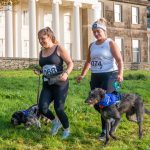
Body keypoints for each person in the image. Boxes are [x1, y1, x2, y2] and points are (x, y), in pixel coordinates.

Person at [77, 18, 123, 141]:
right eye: (94, 31)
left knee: (103, 103)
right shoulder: (92, 45)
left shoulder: (110, 43)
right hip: (95, 76)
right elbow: (88, 61)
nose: (96, 34)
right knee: (96, 104)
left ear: (104, 31)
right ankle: (113, 115)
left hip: (109, 75)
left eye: (98, 31)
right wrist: (82, 75)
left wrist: (120, 74)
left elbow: (119, 60)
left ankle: (104, 131)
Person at [36, 27, 73, 139]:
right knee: (42, 107)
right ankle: (55, 121)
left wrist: (66, 73)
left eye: (43, 38)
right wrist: (39, 71)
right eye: (39, 39)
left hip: (60, 84)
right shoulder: (41, 52)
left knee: (59, 108)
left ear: (50, 37)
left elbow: (70, 63)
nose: (41, 41)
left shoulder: (59, 48)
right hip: (47, 84)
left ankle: (66, 129)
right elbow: (45, 68)